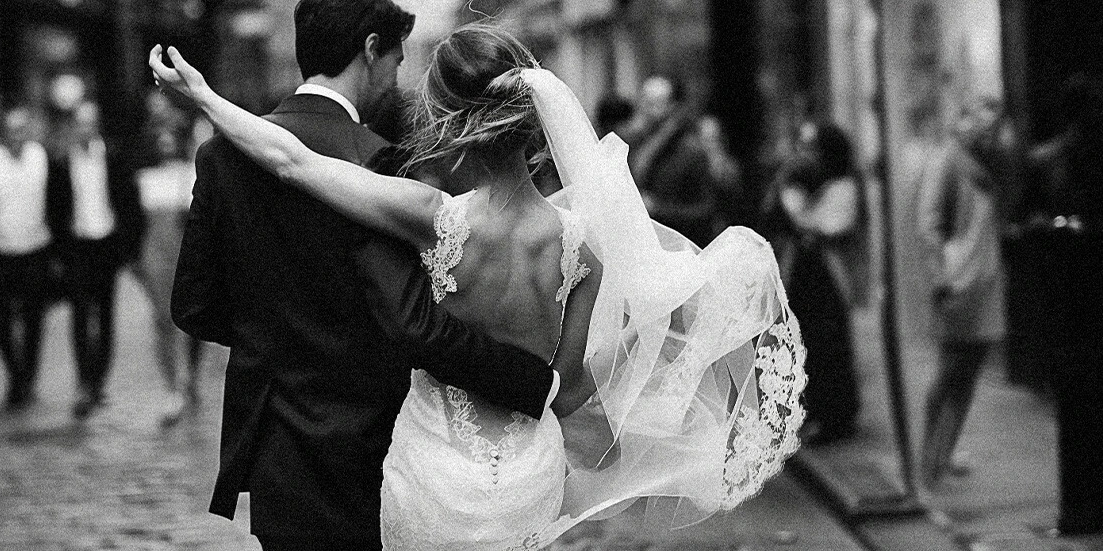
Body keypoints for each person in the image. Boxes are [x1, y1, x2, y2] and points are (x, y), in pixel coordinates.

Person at [154, 19, 805, 549]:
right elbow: (570, 388)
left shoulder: (429, 218)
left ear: (447, 113)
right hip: (529, 474)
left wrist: (205, 98)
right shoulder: (583, 245)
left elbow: (291, 161)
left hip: (433, 471)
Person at [166, 4, 557, 548]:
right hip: (367, 435)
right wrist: (535, 384)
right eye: (396, 63)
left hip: (274, 438)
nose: (395, 82)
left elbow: (192, 306)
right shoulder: (376, 160)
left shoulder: (220, 155)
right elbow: (411, 322)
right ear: (371, 49)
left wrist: (278, 333)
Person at [915, 98, 1008, 487]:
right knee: (951, 369)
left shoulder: (990, 164)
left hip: (985, 279)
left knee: (968, 373)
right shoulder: (949, 160)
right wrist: (942, 275)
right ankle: (928, 460)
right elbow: (929, 222)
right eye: (976, 117)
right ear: (960, 121)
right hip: (959, 281)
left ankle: (945, 453)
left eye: (993, 120)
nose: (985, 127)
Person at [1027, 73, 1103, 536]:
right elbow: (1026, 223)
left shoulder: (1051, 161)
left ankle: (1079, 510)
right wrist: (1059, 228)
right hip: (1070, 302)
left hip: (1073, 305)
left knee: (1077, 415)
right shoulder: (1048, 162)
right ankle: (1078, 511)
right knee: (1076, 411)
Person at [763, 121, 864, 446]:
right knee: (807, 345)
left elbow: (825, 225)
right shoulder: (803, 179)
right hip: (805, 275)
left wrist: (795, 204)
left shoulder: (841, 184)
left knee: (828, 345)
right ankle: (812, 411)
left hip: (828, 276)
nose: (804, 154)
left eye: (811, 147)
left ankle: (835, 416)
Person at [52, 101, 145, 419]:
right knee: (79, 313)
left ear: (97, 126)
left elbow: (130, 201)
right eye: (79, 123)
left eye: (90, 123)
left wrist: (127, 249)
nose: (84, 129)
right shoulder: (63, 162)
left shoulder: (114, 157)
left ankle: (98, 380)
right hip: (77, 245)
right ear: (73, 127)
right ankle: (83, 381)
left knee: (105, 315)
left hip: (106, 245)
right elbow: (56, 206)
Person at [0, 107, 60, 411]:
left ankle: (26, 377)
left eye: (21, 129)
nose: (16, 136)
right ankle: (15, 372)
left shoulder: (41, 158)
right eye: (10, 129)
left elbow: (54, 198)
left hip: (35, 249)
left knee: (32, 319)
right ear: (2, 133)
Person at [136, 90, 207, 422]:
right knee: (162, 320)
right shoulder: (142, 171)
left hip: (186, 248)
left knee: (192, 320)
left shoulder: (191, 167)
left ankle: (189, 376)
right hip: (155, 250)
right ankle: (172, 387)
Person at [627, 75, 718, 246]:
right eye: (646, 102)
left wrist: (658, 210)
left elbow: (704, 211)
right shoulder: (635, 144)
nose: (649, 110)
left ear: (671, 106)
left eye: (657, 103)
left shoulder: (691, 152)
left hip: (678, 246)